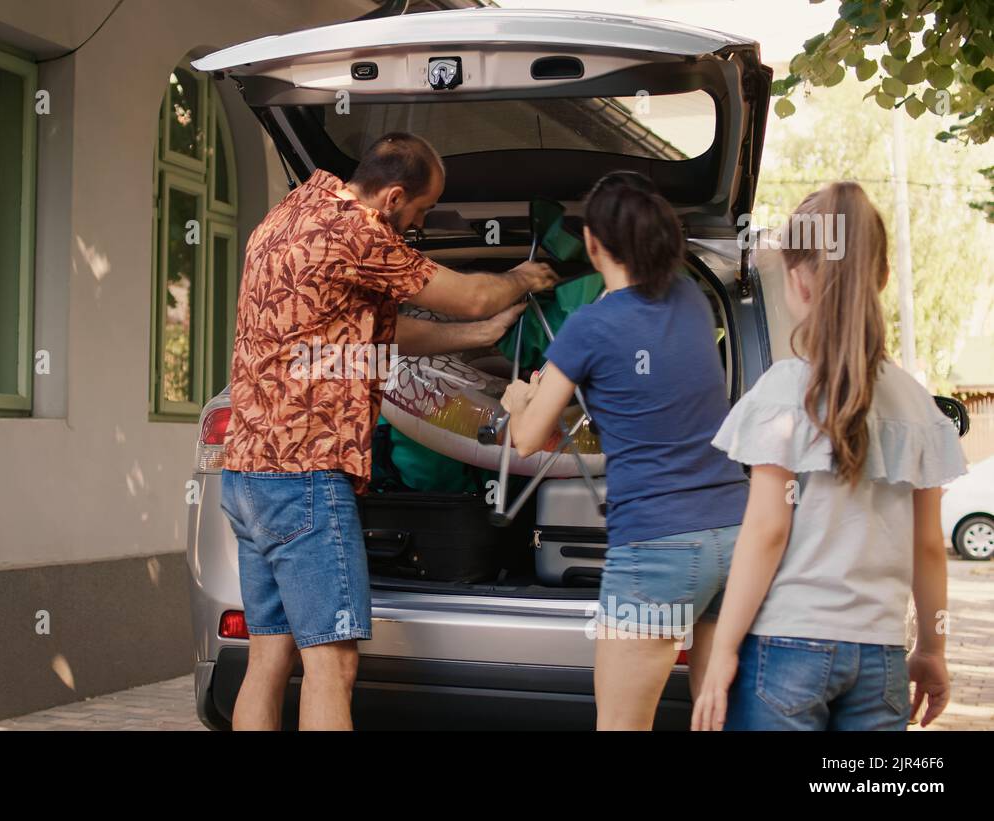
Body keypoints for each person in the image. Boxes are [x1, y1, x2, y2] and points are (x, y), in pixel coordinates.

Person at [221, 132, 557, 730]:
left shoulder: (291, 213)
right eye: (421, 211)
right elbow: (475, 294)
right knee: (333, 669)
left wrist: (477, 339)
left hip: (247, 475)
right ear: (394, 197)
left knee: (268, 657)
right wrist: (524, 279)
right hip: (305, 477)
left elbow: (375, 333)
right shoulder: (357, 230)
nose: (417, 225)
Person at [692, 182, 966, 731]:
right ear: (882, 278)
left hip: (786, 650)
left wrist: (722, 650)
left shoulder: (784, 390)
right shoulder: (917, 405)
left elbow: (768, 530)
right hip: (881, 658)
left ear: (796, 283)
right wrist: (931, 650)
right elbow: (929, 547)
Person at [501, 171, 749, 730]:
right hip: (736, 532)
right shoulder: (691, 298)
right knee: (716, 720)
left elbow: (528, 440)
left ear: (591, 243)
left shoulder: (587, 327)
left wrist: (521, 398)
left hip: (658, 546)